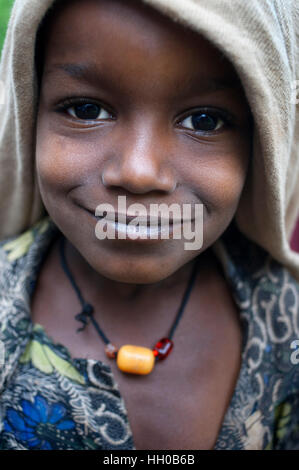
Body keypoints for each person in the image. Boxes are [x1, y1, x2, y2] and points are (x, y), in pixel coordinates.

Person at [0, 0, 298, 451]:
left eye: (204, 120)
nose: (139, 173)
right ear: (29, 114)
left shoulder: (288, 320)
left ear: (264, 143)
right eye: (85, 110)